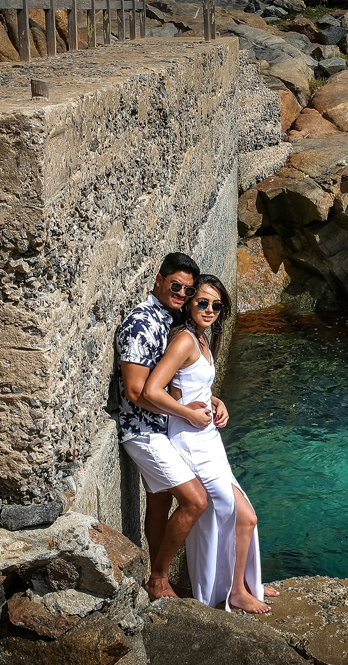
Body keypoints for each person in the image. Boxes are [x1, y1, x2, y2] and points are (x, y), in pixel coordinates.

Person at [143, 274, 278, 614]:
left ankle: (245, 584)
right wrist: (186, 413)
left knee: (245, 517)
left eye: (216, 306)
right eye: (202, 302)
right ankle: (235, 592)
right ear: (189, 303)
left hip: (208, 439)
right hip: (190, 442)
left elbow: (193, 386)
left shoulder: (203, 339)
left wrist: (217, 402)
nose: (209, 310)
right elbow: (152, 390)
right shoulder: (184, 341)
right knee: (233, 514)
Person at [114, 252, 229, 601]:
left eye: (188, 290)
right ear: (159, 279)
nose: (181, 294)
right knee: (195, 501)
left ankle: (158, 579)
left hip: (163, 426)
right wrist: (184, 413)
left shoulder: (169, 319)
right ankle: (158, 579)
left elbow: (177, 380)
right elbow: (136, 391)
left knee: (160, 501)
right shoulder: (142, 323)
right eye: (175, 285)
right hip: (143, 431)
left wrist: (211, 399)